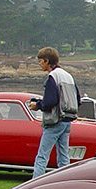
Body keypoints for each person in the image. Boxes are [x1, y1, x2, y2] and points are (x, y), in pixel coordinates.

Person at [28, 47, 79, 179]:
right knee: (63, 156)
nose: (39, 64)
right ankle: (65, 182)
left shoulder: (52, 76)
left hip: (55, 120)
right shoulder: (68, 76)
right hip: (68, 120)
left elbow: (50, 101)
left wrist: (38, 105)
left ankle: (34, 184)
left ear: (47, 61)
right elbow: (77, 99)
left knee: (42, 156)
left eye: (40, 61)